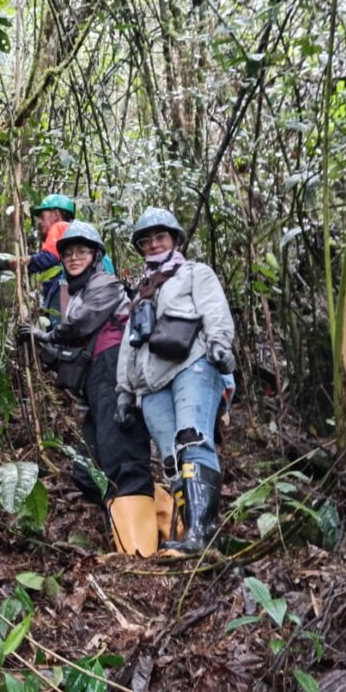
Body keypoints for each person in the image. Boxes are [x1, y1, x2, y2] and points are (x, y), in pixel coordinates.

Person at [18, 220, 167, 556]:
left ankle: (139, 553)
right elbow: (68, 352)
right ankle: (159, 513)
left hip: (116, 370)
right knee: (87, 469)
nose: (73, 258)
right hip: (94, 382)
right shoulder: (77, 294)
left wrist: (46, 335)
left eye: (81, 252)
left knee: (122, 455)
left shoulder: (106, 285)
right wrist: (36, 343)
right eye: (68, 253)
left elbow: (77, 326)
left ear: (96, 255)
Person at [115, 207, 235, 556]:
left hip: (191, 365)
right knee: (170, 459)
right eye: (146, 240)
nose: (153, 244)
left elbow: (214, 309)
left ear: (175, 239)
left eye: (160, 237)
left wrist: (220, 345)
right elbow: (129, 346)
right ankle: (187, 531)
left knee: (192, 440)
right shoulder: (140, 292)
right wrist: (124, 391)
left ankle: (203, 531)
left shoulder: (194, 273)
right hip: (150, 386)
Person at [0, 193, 75, 324]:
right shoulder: (76, 233)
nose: (39, 222)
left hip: (66, 291)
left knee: (60, 340)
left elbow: (46, 260)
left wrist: (6, 264)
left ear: (56, 215)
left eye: (42, 216)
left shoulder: (60, 226)